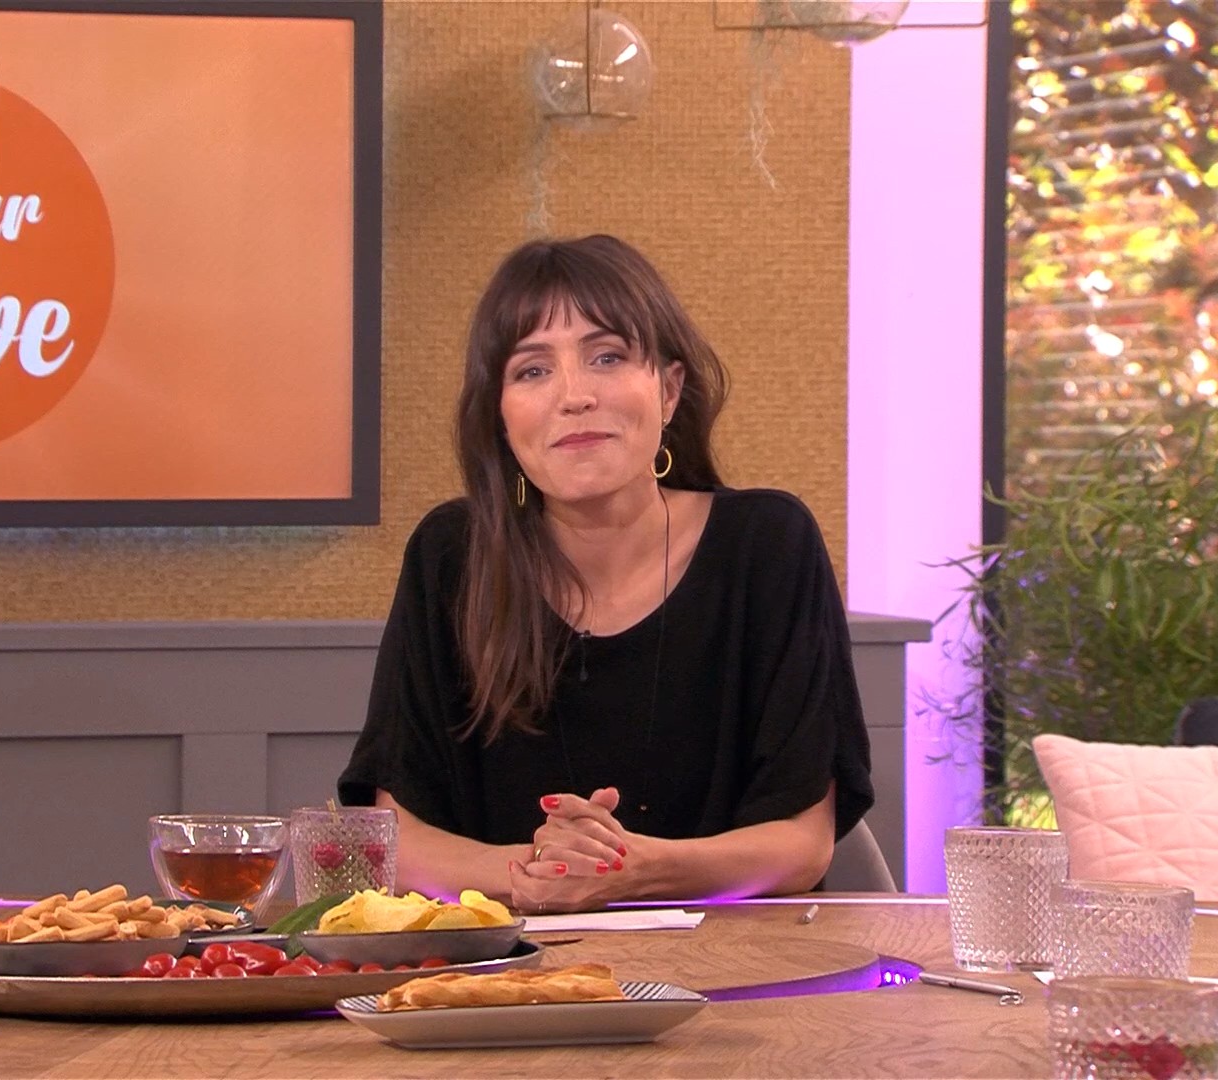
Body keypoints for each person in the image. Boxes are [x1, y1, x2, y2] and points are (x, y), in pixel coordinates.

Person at [337, 235, 873, 914]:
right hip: (505, 961)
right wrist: (538, 870)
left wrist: (636, 870)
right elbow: (398, 841)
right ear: (500, 415)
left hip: (736, 957)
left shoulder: (768, 545)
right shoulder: (452, 556)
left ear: (669, 390)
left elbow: (800, 843)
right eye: (533, 370)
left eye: (607, 357)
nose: (575, 396)